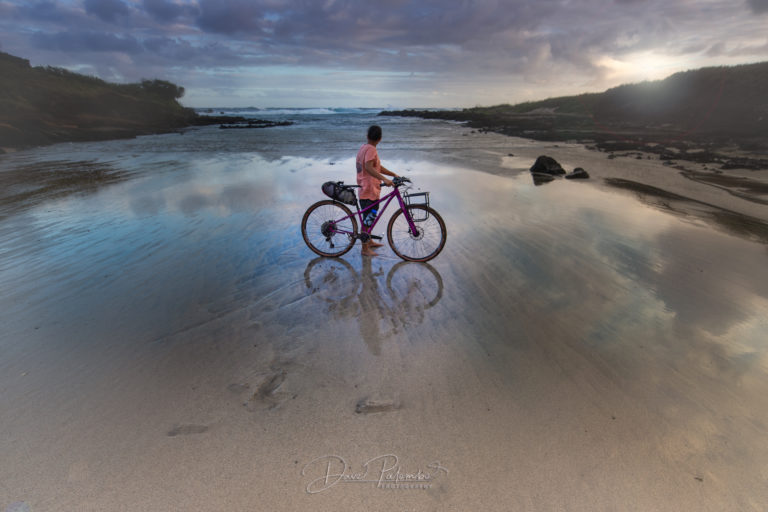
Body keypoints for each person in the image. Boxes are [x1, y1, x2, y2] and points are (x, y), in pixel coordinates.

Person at [356, 125, 399, 257]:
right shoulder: (371, 150)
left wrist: (393, 174)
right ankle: (364, 249)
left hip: (367, 189)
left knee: (370, 217)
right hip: (369, 190)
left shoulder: (364, 148)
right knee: (368, 219)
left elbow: (377, 167)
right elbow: (369, 168)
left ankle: (368, 240)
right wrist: (385, 179)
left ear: (367, 136)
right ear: (380, 138)